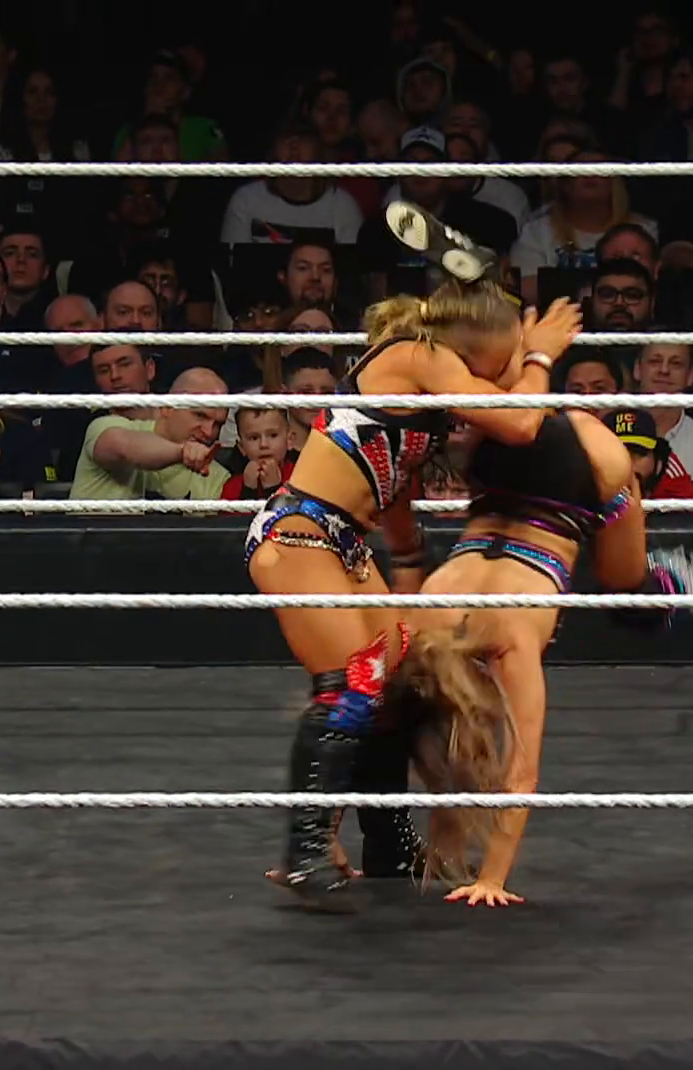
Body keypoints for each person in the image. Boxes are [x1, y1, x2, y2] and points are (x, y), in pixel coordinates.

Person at [247, 201, 582, 912]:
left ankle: (387, 839)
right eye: (499, 366)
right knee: (352, 681)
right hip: (298, 533)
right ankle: (307, 851)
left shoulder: (427, 397)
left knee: (397, 683)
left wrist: (405, 580)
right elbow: (523, 422)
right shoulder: (415, 354)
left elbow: (392, 495)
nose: (502, 380)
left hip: (345, 542)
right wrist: (543, 354)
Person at [382, 407, 693, 906]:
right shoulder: (421, 627)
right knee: (436, 745)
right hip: (510, 448)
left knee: (627, 592)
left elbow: (522, 772)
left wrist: (492, 878)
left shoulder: (506, 641)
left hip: (591, 470)